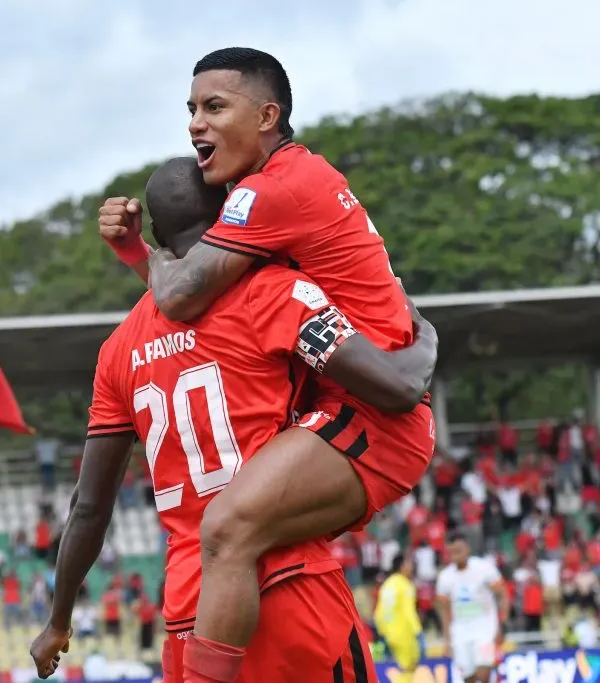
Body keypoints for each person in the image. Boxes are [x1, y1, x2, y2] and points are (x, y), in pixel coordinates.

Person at [97, 47, 438, 665]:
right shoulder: (293, 184)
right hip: (353, 401)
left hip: (372, 415)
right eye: (191, 109)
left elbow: (177, 295)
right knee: (244, 538)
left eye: (214, 106)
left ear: (266, 116)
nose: (196, 122)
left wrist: (138, 250)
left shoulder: (268, 193)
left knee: (227, 529)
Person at [31, 157, 431, 682]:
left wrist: (58, 621)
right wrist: (425, 338)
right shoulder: (273, 292)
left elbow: (88, 506)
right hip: (286, 584)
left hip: (190, 610)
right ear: (232, 216)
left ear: (155, 233)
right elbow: (384, 382)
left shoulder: (118, 353)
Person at [435, 532, 510, 683]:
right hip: (460, 631)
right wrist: (447, 640)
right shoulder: (445, 577)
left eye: (459, 551)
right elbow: (443, 610)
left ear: (467, 549)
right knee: (468, 677)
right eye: (452, 552)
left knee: (483, 673)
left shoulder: (484, 568)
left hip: (485, 628)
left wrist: (503, 623)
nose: (455, 555)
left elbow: (503, 594)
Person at [375, 554, 422, 683]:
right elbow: (409, 611)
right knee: (409, 668)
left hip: (390, 633)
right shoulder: (405, 585)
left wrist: (383, 631)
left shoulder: (387, 584)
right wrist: (417, 631)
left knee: (402, 668)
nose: (411, 566)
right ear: (401, 567)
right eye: (408, 563)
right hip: (404, 632)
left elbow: (379, 612)